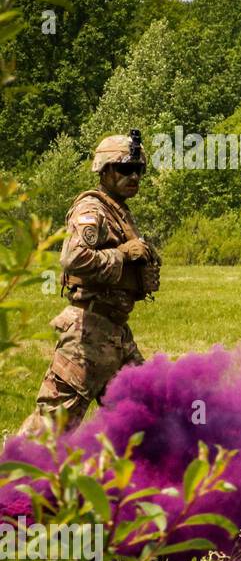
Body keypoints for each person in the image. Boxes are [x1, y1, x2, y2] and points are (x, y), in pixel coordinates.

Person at [18, 132, 161, 439]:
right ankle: (13, 480)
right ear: (105, 170)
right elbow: (73, 259)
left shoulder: (118, 211)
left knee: (146, 415)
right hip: (88, 333)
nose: (134, 176)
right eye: (125, 169)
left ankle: (128, 482)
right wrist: (121, 256)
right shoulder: (91, 209)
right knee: (49, 431)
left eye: (139, 170)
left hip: (115, 334)